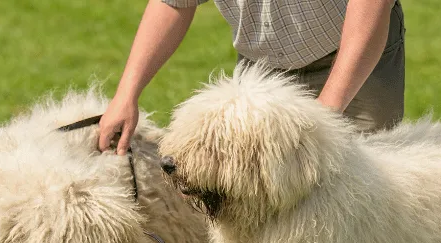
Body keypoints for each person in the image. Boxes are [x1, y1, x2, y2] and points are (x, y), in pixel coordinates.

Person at [98, 0, 406, 154]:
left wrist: (327, 110)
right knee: (255, 203)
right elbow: (174, 3)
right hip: (262, 67)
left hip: (352, 54)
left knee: (360, 193)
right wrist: (126, 94)